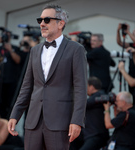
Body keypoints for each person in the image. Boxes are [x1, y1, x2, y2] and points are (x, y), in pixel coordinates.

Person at [8, 4, 87, 150]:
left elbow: (81, 89)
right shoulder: (35, 50)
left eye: (47, 20)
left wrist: (77, 120)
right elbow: (27, 86)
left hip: (60, 121)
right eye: (40, 20)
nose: (42, 24)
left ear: (60, 23)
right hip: (33, 121)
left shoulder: (76, 50)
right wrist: (15, 114)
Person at [0, 30, 25, 119]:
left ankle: (10, 126)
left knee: (11, 104)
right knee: (1, 105)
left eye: (7, 35)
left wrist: (10, 49)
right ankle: (3, 124)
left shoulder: (15, 48)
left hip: (12, 82)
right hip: (1, 81)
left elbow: (18, 60)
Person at [70, 77, 109, 150]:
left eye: (86, 86)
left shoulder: (100, 95)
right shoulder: (95, 97)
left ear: (91, 87)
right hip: (88, 134)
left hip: (96, 135)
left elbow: (84, 104)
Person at [116, 23, 135, 97]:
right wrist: (118, 30)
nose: (133, 32)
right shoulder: (132, 44)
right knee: (131, 94)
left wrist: (128, 31)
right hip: (132, 71)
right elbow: (119, 43)